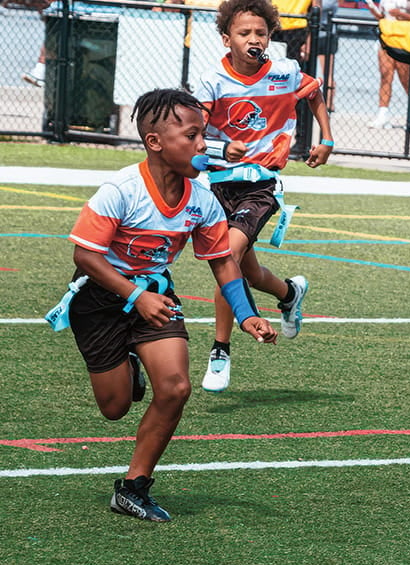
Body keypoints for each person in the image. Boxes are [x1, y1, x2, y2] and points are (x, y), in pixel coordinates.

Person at [63, 88, 277, 521]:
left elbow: (223, 264)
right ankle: (128, 362)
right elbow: (84, 256)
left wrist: (248, 314)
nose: (203, 145)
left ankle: (133, 488)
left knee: (177, 388)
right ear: (155, 142)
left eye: (203, 134)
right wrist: (135, 296)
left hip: (156, 295)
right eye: (192, 135)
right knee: (115, 407)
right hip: (98, 297)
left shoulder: (201, 199)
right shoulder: (121, 189)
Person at [193, 0, 334, 393]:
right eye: (244, 33)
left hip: (261, 184)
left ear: (270, 36)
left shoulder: (285, 72)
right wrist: (222, 151)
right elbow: (196, 137)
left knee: (227, 257)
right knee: (248, 273)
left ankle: (220, 350)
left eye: (261, 32)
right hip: (217, 185)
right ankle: (290, 293)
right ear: (227, 39)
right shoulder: (211, 81)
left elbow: (314, 95)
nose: (254, 39)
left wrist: (328, 139)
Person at [367, 0, 410, 128]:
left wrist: (401, 14)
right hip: (386, 38)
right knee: (385, 76)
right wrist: (372, 7)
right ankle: (382, 114)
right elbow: (381, 16)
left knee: (406, 79)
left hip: (404, 40)